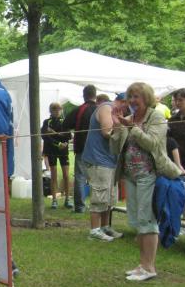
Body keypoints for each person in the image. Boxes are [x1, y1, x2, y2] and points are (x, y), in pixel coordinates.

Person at [110, 82, 182, 281]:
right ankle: (142, 264)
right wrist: (117, 127)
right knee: (136, 221)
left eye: (137, 97)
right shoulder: (129, 119)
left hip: (149, 175)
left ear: (146, 98)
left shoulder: (156, 117)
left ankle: (149, 267)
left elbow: (152, 143)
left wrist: (131, 128)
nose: (133, 101)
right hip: (130, 176)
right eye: (130, 97)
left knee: (147, 220)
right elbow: (115, 149)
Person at [81, 93, 125, 241]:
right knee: (100, 195)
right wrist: (124, 127)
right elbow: (107, 132)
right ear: (122, 101)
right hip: (98, 160)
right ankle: (94, 231)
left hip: (111, 160)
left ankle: (105, 227)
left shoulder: (117, 111)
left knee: (110, 197)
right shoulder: (107, 108)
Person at [62, 85, 98, 214]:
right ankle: (97, 206)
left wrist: (69, 135)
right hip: (98, 149)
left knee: (80, 177)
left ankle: (80, 207)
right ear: (95, 95)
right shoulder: (100, 109)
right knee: (97, 178)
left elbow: (65, 124)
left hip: (82, 147)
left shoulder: (80, 110)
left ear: (84, 95)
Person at [41, 102, 72, 209]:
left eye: (59, 109)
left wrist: (55, 134)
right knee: (53, 175)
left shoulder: (65, 121)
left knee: (66, 175)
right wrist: (58, 143)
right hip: (52, 150)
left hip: (64, 150)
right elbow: (45, 137)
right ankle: (54, 200)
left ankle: (67, 199)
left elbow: (68, 136)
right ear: (51, 111)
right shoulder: (47, 122)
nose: (57, 111)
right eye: (54, 109)